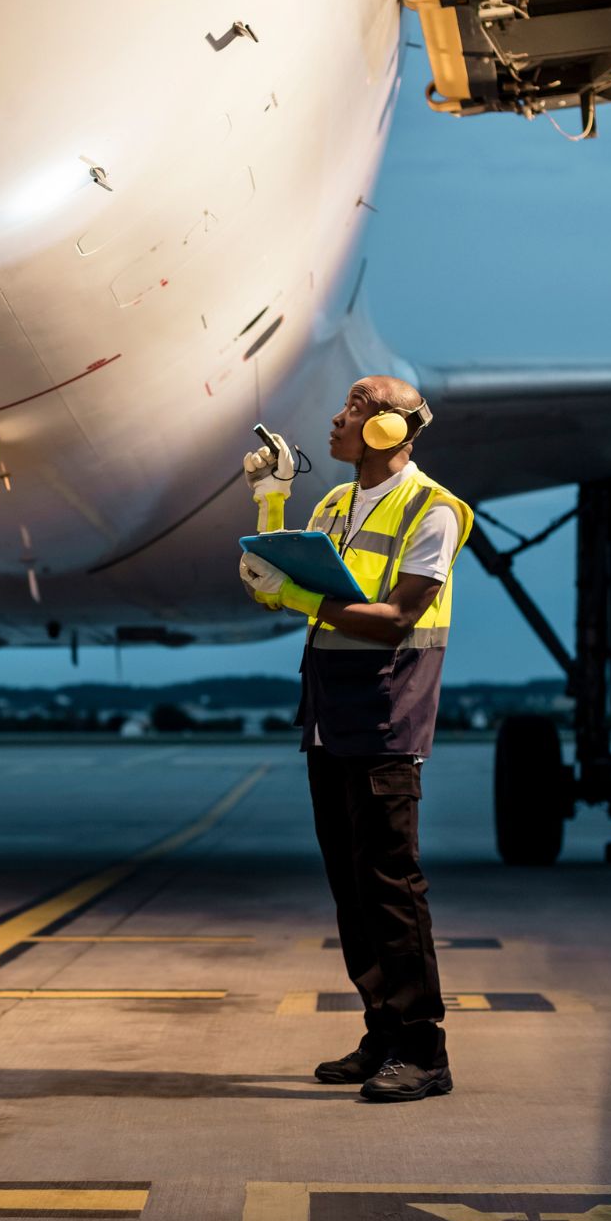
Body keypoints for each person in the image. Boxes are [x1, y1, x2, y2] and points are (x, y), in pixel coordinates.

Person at [240, 375, 471, 1103]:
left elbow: (396, 617)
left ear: (385, 431)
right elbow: (273, 579)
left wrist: (301, 596)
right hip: (329, 716)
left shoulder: (434, 509)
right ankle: (382, 1032)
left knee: (390, 885)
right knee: (351, 886)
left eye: (354, 408)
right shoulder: (335, 502)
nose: (337, 418)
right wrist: (270, 500)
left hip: (385, 717)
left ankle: (424, 1049)